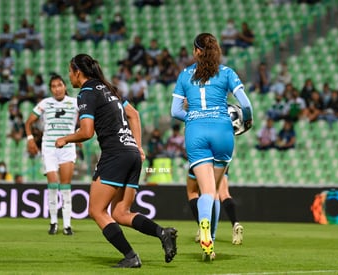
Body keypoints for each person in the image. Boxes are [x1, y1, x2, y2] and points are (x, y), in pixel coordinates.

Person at [54, 53, 177, 268]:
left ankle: (130, 256)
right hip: (131, 152)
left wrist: (66, 138)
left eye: (70, 72)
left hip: (115, 154)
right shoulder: (109, 89)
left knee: (96, 210)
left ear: (78, 72)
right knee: (120, 213)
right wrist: (138, 146)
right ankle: (162, 232)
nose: (69, 77)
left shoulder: (87, 92)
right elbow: (134, 114)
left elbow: (86, 132)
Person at [171, 33, 253, 260]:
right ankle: (212, 239)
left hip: (195, 132)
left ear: (197, 51)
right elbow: (245, 104)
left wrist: (194, 116)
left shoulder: (184, 75)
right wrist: (247, 121)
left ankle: (203, 226)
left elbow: (175, 111)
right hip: (222, 130)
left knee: (205, 190)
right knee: (215, 190)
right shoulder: (227, 72)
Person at [25, 74, 79, 236]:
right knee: (53, 184)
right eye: (53, 86)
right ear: (50, 89)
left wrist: (79, 133)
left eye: (59, 85)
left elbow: (88, 121)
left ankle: (67, 225)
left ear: (65, 87)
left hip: (68, 147)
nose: (57, 89)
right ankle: (54, 222)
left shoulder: (75, 103)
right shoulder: (45, 103)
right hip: (49, 148)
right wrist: (30, 139)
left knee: (66, 186)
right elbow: (28, 122)